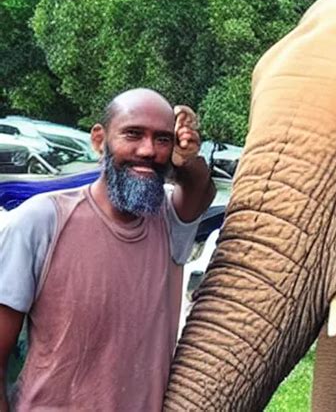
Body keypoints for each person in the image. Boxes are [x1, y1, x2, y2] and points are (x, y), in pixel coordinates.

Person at [0, 88, 216, 411]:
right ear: (99, 140)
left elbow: (200, 188)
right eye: (133, 134)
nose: (148, 150)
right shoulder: (42, 221)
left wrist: (187, 157)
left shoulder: (168, 224)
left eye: (162, 140)